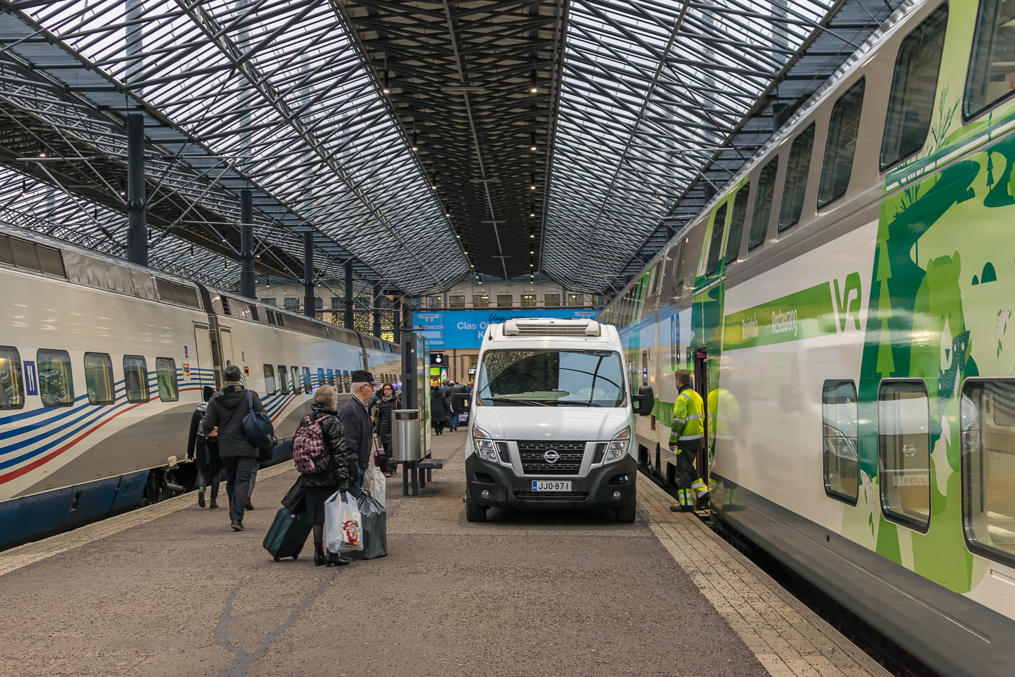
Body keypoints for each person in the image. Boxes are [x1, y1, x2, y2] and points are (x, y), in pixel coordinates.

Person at [201, 364, 266, 531]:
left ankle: (234, 515)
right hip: (248, 445)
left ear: (225, 379)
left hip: (226, 446)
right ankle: (237, 517)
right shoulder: (250, 396)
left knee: (231, 481)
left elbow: (207, 424)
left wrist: (213, 430)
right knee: (243, 480)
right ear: (239, 378)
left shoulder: (215, 400)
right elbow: (263, 417)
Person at [297, 385, 355, 566]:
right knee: (332, 516)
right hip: (328, 475)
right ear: (331, 402)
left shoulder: (306, 419)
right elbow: (340, 453)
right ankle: (333, 554)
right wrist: (344, 480)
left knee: (317, 517)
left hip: (310, 475)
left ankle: (318, 554)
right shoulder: (332, 421)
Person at [668, 369, 710, 512]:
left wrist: (673, 440)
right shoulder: (696, 396)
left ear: (678, 382)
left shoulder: (682, 398)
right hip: (697, 439)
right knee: (688, 468)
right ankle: (703, 493)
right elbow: (703, 416)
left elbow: (678, 422)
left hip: (685, 440)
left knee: (682, 473)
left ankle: (686, 504)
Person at [340, 370, 377, 497]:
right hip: (356, 469)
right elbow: (349, 443)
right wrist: (355, 470)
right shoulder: (351, 409)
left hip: (361, 465)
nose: (373, 390)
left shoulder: (360, 407)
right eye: (371, 386)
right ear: (363, 388)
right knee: (353, 507)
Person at [187, 385, 220, 509]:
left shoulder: (197, 413)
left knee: (202, 470)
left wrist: (190, 452)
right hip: (214, 444)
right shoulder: (215, 410)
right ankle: (213, 500)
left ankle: (201, 489)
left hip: (200, 445)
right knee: (215, 472)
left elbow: (192, 433)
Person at [372, 383, 399, 477]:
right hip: (383, 431)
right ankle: (394, 467)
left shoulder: (396, 402)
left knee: (391, 451)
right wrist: (377, 432)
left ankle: (389, 470)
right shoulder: (380, 403)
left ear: (392, 390)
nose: (386, 391)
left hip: (393, 430)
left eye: (388, 389)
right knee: (387, 450)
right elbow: (378, 418)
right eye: (385, 389)